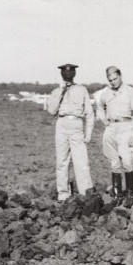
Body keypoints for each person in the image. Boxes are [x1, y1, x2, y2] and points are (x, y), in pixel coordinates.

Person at [46, 64, 95, 203]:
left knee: (81, 161)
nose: (68, 74)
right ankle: (63, 194)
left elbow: (89, 113)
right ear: (61, 74)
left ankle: (85, 193)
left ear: (74, 73)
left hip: (76, 124)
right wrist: (61, 92)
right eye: (65, 72)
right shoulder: (56, 91)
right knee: (62, 161)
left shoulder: (81, 90)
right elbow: (51, 111)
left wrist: (88, 133)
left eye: (71, 71)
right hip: (61, 124)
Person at [95, 66, 133, 206]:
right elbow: (99, 106)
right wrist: (103, 118)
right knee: (114, 163)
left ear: (120, 76)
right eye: (110, 80)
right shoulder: (105, 93)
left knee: (127, 162)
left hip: (126, 127)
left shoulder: (131, 92)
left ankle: (130, 195)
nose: (113, 82)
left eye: (115, 79)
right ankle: (117, 196)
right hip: (111, 128)